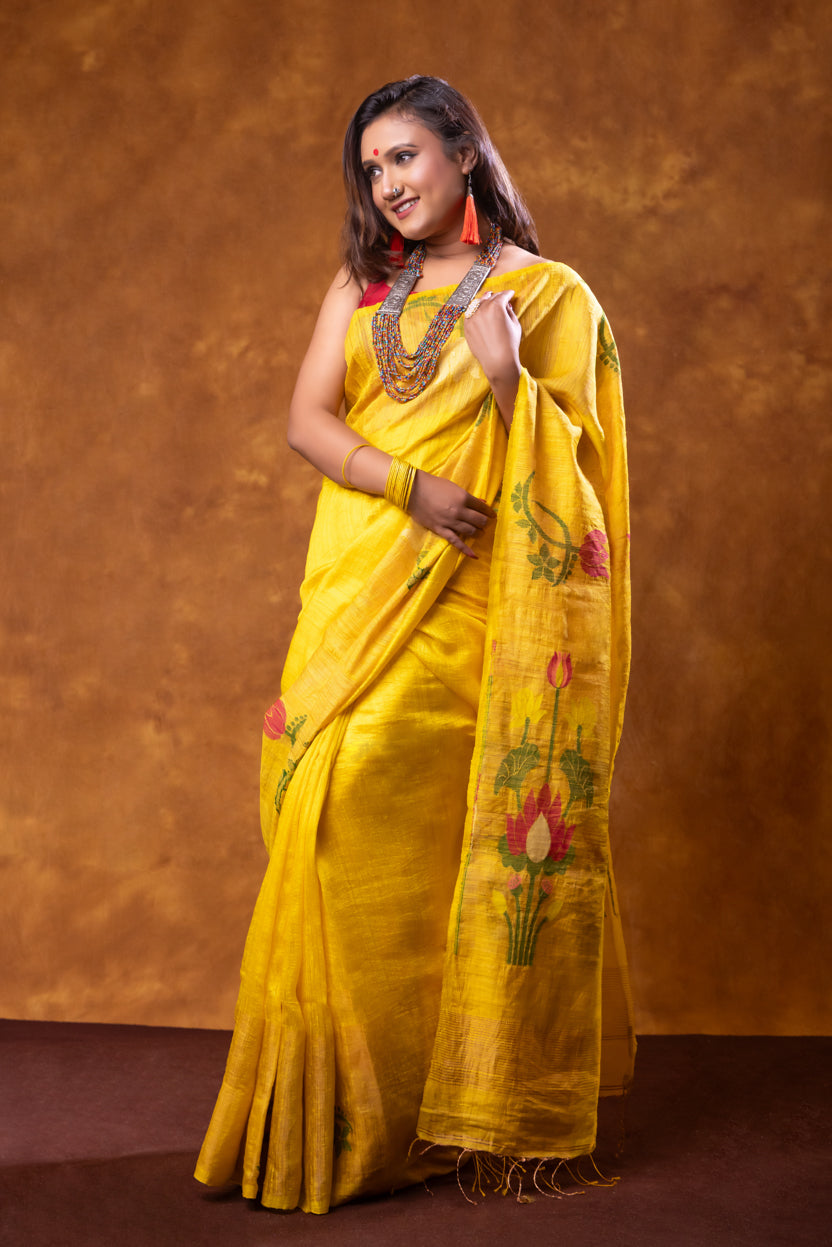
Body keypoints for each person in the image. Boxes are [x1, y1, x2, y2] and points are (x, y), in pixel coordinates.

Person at [195, 75, 635, 1215]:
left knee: (419, 851)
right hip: (357, 588)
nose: (389, 185)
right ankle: (343, 1114)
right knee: (316, 821)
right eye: (372, 168)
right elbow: (307, 421)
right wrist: (410, 484)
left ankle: (434, 1117)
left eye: (406, 158)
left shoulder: (547, 295)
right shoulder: (360, 284)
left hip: (469, 617)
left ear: (464, 156)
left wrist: (502, 377)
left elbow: (580, 480)